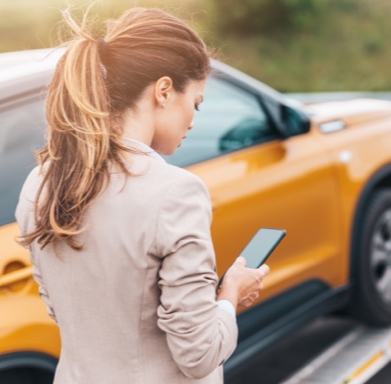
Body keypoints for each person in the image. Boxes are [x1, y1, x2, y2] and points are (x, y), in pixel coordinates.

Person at [15, 7, 269, 383]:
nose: (193, 119)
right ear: (163, 91)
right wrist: (229, 296)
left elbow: (65, 311)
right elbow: (199, 354)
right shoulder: (175, 192)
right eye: (196, 102)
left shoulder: (39, 182)